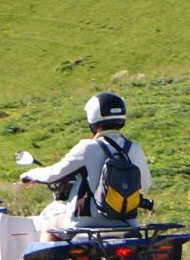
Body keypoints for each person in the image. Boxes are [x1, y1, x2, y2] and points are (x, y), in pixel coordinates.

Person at [18, 91, 154, 236]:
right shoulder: (133, 147)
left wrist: (30, 174)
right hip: (127, 224)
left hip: (85, 224)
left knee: (50, 223)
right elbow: (145, 183)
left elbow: (53, 175)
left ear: (93, 119)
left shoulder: (87, 147)